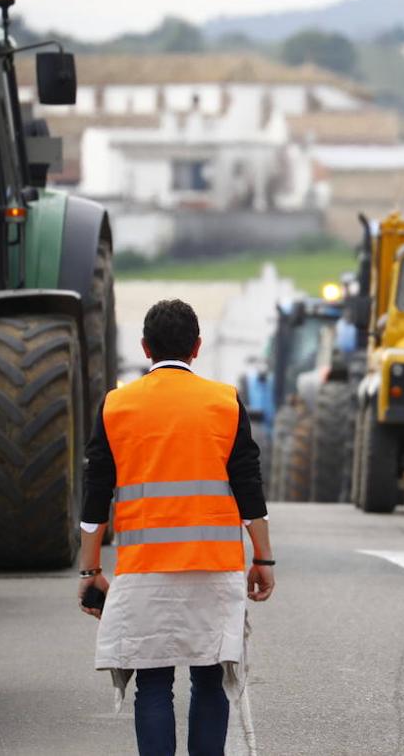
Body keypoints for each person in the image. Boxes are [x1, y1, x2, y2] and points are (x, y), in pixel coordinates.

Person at [78, 299, 274, 756]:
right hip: (214, 568)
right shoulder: (224, 402)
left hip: (144, 570)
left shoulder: (116, 406)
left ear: (145, 347)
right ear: (198, 347)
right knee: (209, 680)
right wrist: (262, 558)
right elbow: (249, 490)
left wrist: (90, 572)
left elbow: (94, 498)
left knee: (152, 684)